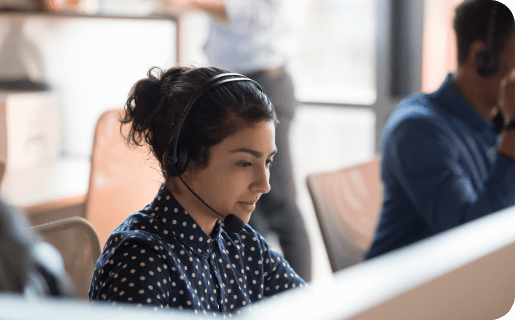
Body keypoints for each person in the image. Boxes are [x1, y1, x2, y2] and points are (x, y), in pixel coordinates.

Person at [88, 66, 306, 315]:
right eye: (244, 163)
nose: (264, 184)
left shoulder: (245, 246)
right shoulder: (141, 261)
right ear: (182, 159)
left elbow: (313, 311)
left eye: (267, 162)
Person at [161, 0, 312, 282]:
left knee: (279, 202)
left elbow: (252, 15)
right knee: (244, 208)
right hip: (229, 83)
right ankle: (256, 297)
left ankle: (304, 302)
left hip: (263, 81)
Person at [366, 0, 515, 260]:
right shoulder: (416, 131)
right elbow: (474, 242)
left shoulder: (494, 122)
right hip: (411, 291)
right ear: (482, 57)